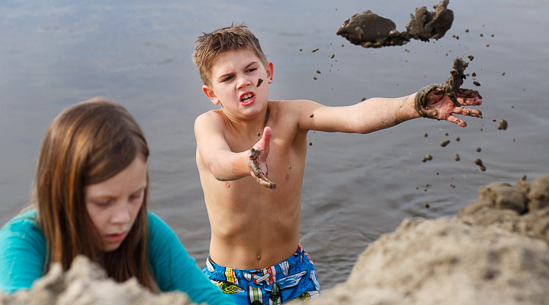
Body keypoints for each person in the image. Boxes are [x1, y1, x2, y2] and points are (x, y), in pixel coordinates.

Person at [192, 24, 482, 304]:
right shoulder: (210, 125)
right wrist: (246, 161)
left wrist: (413, 105)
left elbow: (354, 117)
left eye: (250, 69)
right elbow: (217, 161)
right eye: (228, 78)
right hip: (228, 282)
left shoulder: (291, 116)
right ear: (212, 94)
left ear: (268, 73)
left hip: (293, 275)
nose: (242, 81)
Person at [0, 98, 233, 305]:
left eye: (135, 196)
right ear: (63, 193)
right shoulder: (20, 242)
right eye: (104, 202)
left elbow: (211, 299)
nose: (124, 217)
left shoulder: (145, 228)